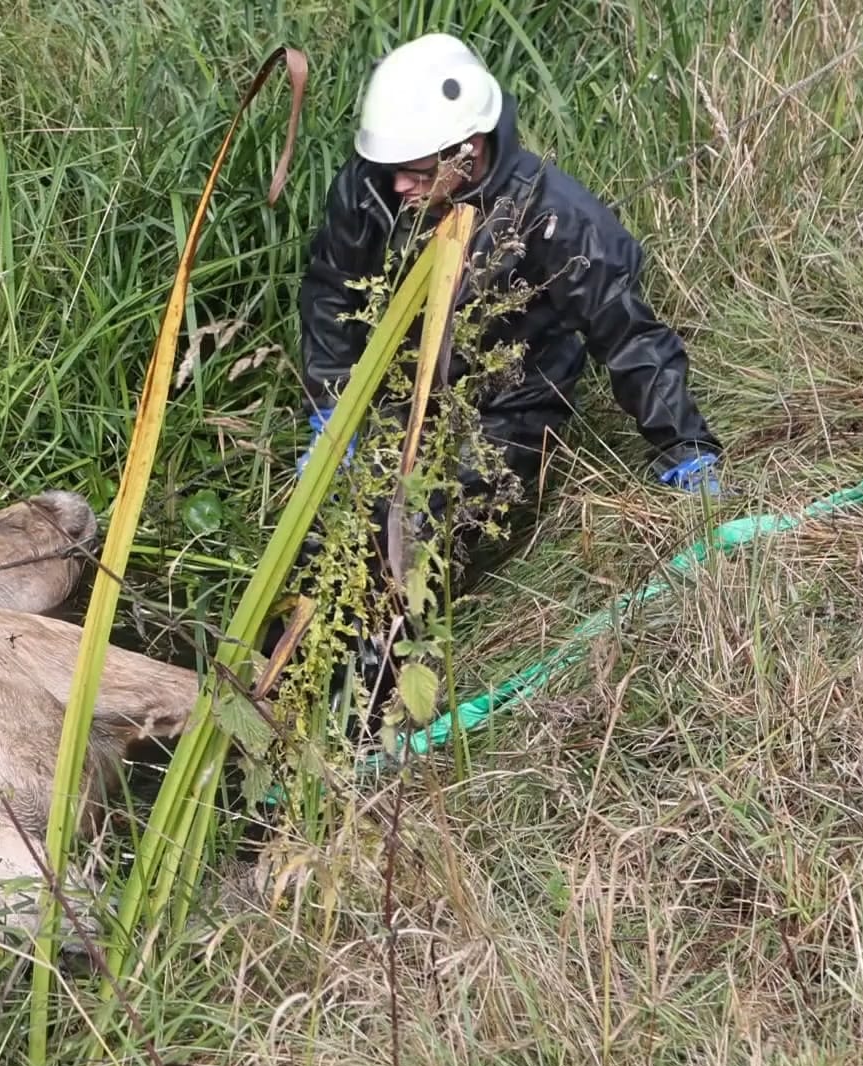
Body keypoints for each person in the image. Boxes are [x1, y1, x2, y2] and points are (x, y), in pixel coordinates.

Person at [281, 32, 726, 730]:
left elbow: (630, 335)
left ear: (472, 146)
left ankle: (363, 714)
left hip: (506, 410)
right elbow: (331, 294)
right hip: (393, 396)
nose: (399, 184)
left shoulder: (559, 218)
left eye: (417, 170)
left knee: (411, 537)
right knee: (314, 533)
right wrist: (333, 411)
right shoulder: (368, 191)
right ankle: (288, 677)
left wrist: (684, 446)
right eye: (392, 167)